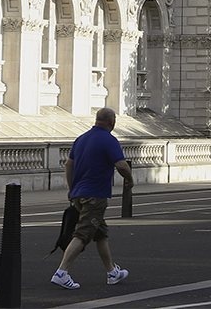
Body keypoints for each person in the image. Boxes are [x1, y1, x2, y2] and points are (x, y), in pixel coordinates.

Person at [51, 107, 135, 290]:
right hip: (95, 195)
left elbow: (69, 164)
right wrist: (130, 179)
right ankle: (61, 272)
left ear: (96, 120)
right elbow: (121, 165)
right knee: (83, 234)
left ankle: (112, 272)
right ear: (112, 122)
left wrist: (72, 189)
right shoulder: (109, 140)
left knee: (100, 233)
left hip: (79, 193)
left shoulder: (81, 139)